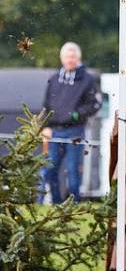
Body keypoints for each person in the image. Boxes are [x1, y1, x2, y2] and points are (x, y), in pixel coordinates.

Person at [40, 42, 101, 203]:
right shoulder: (54, 79)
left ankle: (74, 205)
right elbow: (46, 105)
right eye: (67, 56)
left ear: (78, 58)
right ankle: (57, 204)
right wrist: (44, 126)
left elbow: (95, 104)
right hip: (54, 131)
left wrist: (76, 115)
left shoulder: (87, 79)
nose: (70, 59)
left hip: (75, 131)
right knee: (51, 169)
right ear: (62, 58)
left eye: (73, 56)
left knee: (73, 170)